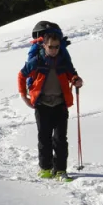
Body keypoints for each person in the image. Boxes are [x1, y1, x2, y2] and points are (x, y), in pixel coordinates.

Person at [17, 22, 83, 179]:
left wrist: (76, 79)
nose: (54, 50)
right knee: (44, 138)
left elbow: (71, 74)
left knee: (60, 139)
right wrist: (23, 95)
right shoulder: (37, 61)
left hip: (60, 104)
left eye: (57, 47)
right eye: (51, 47)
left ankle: (60, 170)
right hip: (42, 105)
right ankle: (45, 168)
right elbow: (21, 75)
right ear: (44, 46)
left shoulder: (63, 60)